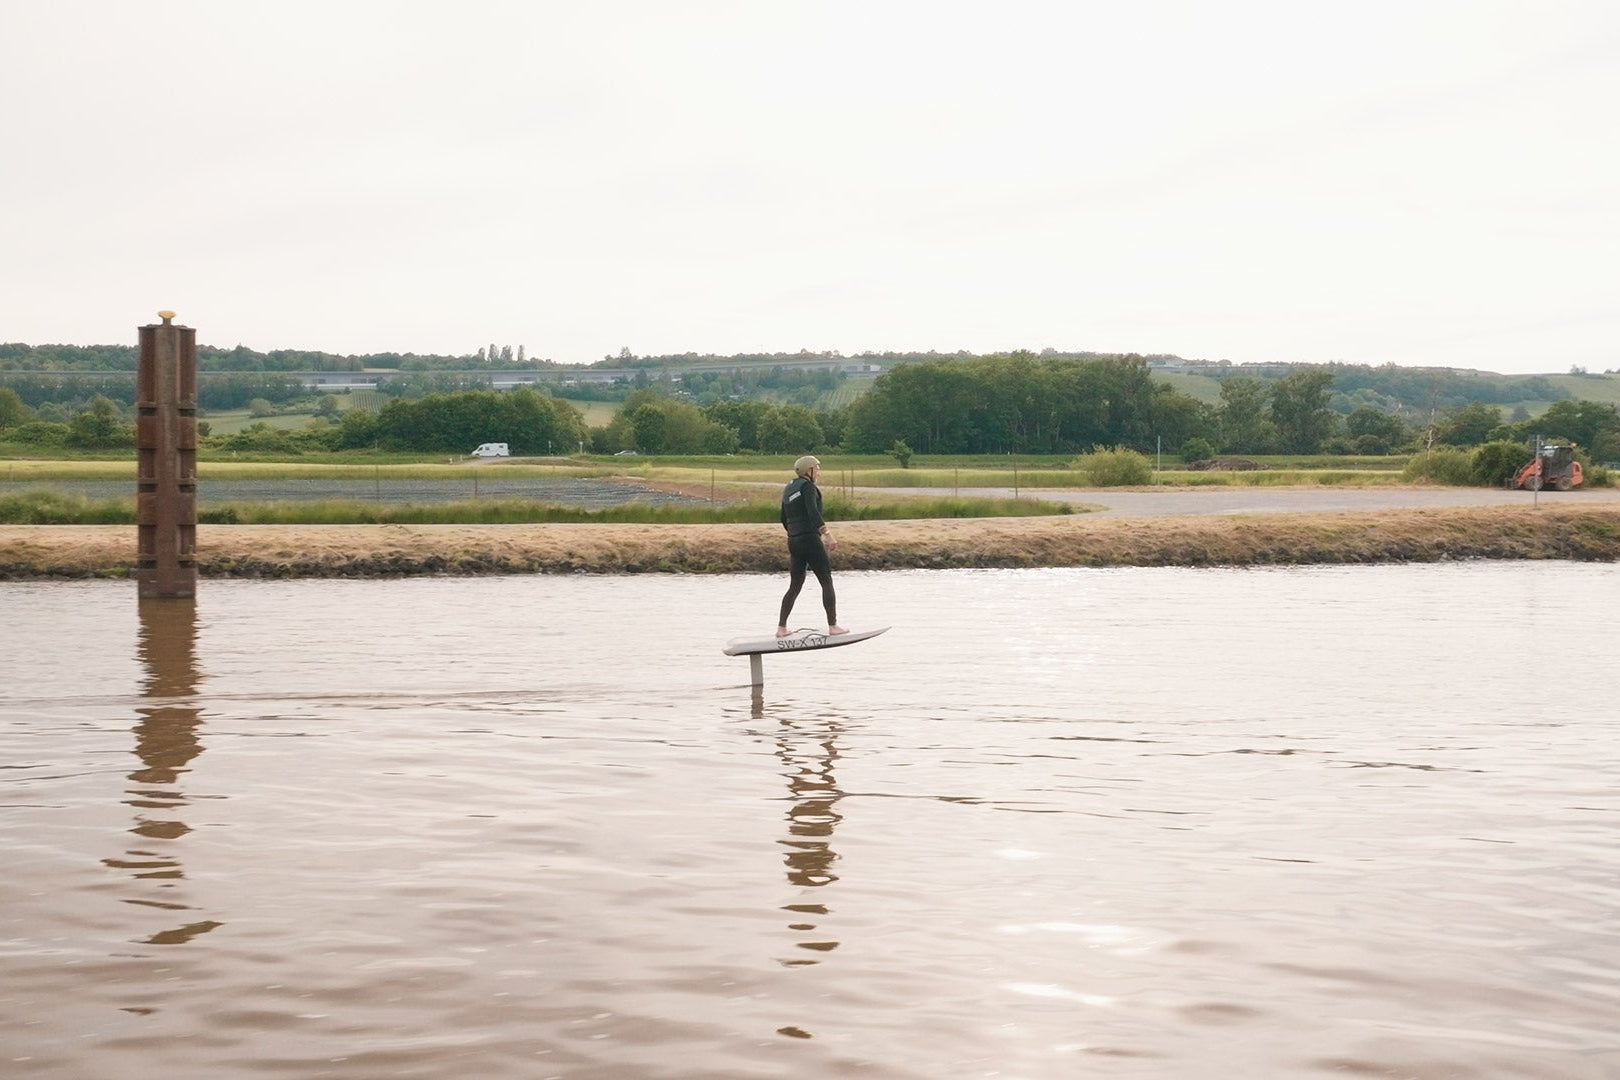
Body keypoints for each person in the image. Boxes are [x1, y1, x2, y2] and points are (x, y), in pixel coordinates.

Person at [777, 455, 846, 638]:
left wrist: (795, 534)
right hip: (810, 539)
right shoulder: (808, 487)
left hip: (793, 540)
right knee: (826, 581)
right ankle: (833, 626)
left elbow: (783, 518)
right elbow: (813, 512)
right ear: (809, 471)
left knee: (795, 586)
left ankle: (781, 628)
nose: (819, 472)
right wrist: (827, 535)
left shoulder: (789, 488)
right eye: (817, 468)